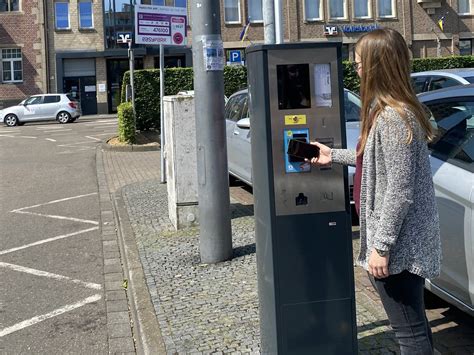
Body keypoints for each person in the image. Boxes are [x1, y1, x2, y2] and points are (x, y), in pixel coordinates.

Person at [310, 28, 441, 355]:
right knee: (415, 328)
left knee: (410, 337)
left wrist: (381, 247)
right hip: (400, 244)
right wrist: (333, 155)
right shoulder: (390, 112)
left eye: (358, 64)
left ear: (377, 66)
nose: (355, 71)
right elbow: (377, 161)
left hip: (400, 247)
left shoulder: (395, 117)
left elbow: (399, 190)